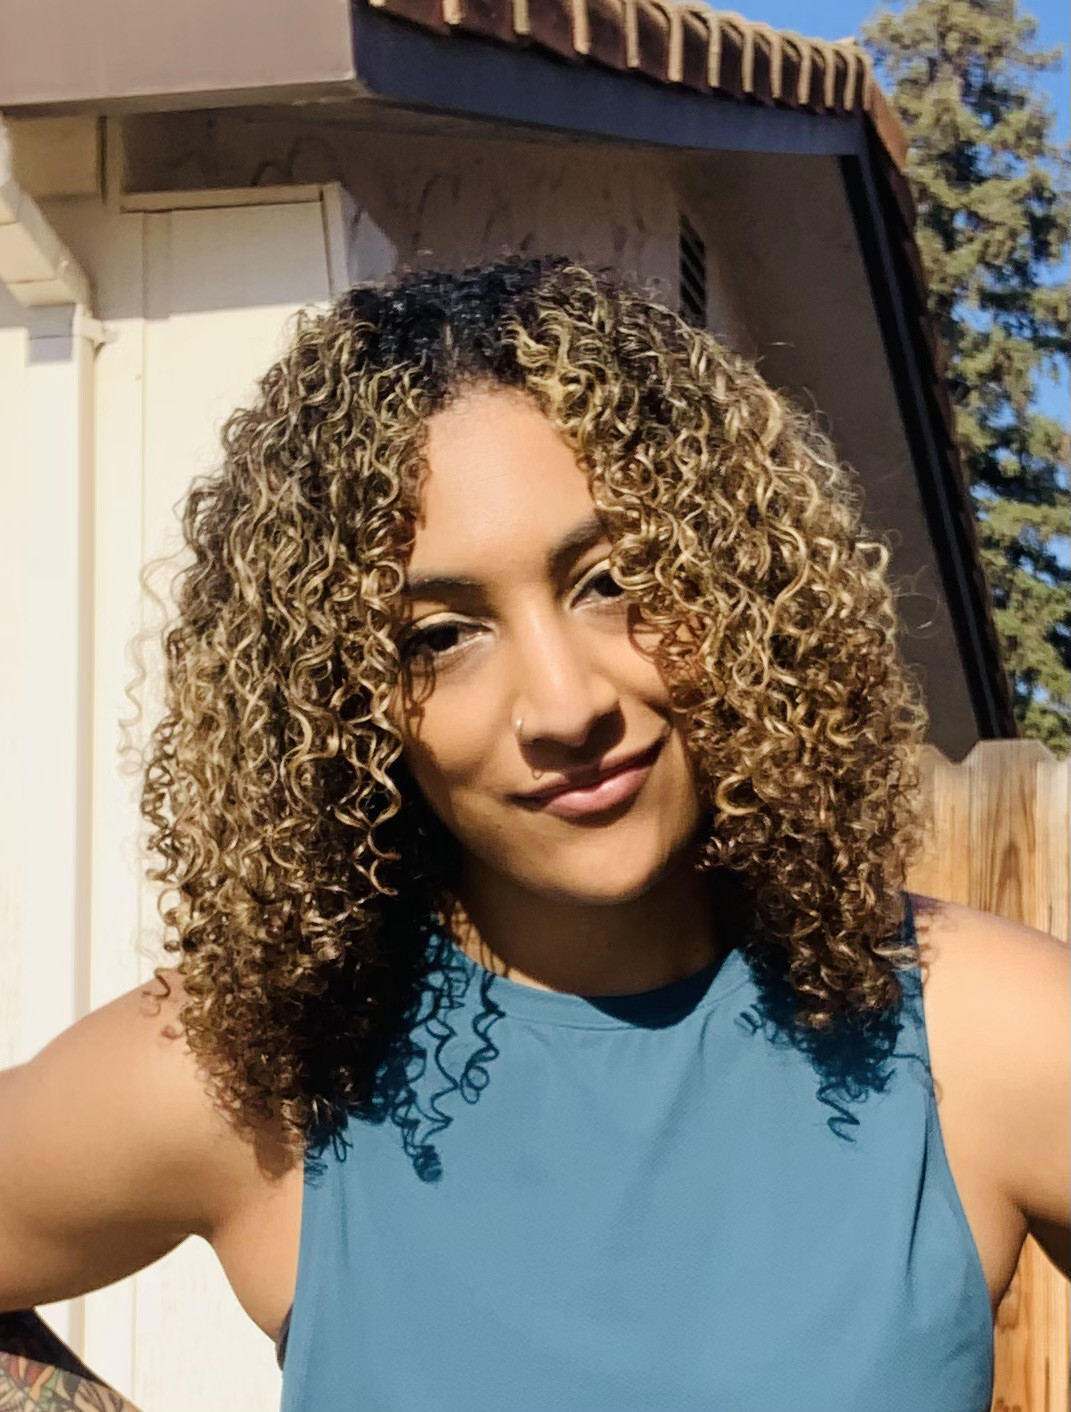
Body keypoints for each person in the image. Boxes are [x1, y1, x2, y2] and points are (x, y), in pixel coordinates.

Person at [0, 258, 1067, 1412]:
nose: (566, 704)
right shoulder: (258, 1072)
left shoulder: (990, 1034)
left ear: (738, 581)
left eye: (612, 580)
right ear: (339, 700)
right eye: (440, 636)